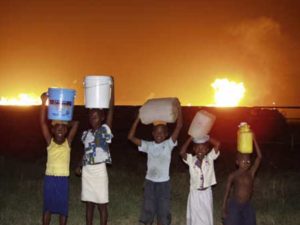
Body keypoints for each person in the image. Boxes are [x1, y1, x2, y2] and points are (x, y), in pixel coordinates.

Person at [127, 102, 183, 225]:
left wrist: (179, 109)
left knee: (163, 213)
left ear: (166, 134)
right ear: (152, 134)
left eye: (162, 132)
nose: (159, 134)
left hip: (164, 184)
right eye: (157, 132)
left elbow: (179, 126)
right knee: (148, 210)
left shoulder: (169, 144)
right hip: (150, 184)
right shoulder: (148, 145)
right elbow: (130, 137)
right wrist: (137, 119)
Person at [75, 79, 114, 225]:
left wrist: (112, 88)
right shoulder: (86, 133)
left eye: (96, 116)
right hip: (87, 171)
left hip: (99, 170)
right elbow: (86, 152)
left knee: (102, 204)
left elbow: (112, 109)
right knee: (89, 204)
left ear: (102, 118)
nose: (93, 119)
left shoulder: (105, 130)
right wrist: (79, 165)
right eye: (91, 116)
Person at [40, 92, 79, 225]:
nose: (60, 129)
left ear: (67, 130)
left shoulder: (68, 143)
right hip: (50, 179)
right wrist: (43, 104)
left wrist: (64, 117)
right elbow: (42, 123)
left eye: (63, 127)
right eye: (57, 126)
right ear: (53, 130)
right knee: (47, 208)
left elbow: (76, 124)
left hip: (63, 180)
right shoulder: (49, 142)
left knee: (63, 209)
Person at [179, 135, 220, 225]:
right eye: (197, 148)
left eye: (203, 148)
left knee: (207, 215)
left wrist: (207, 136)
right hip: (195, 193)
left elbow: (217, 144)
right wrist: (191, 137)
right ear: (194, 149)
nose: (200, 151)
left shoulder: (210, 158)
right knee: (195, 216)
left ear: (207, 150)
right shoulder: (191, 160)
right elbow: (182, 152)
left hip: (206, 192)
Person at [222, 134, 262, 225]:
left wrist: (254, 139)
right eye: (243, 161)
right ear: (237, 162)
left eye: (248, 161)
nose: (246, 163)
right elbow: (227, 192)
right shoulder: (233, 175)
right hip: (235, 204)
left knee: (250, 222)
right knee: (231, 222)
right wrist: (224, 207)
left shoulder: (251, 173)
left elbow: (259, 157)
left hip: (247, 204)